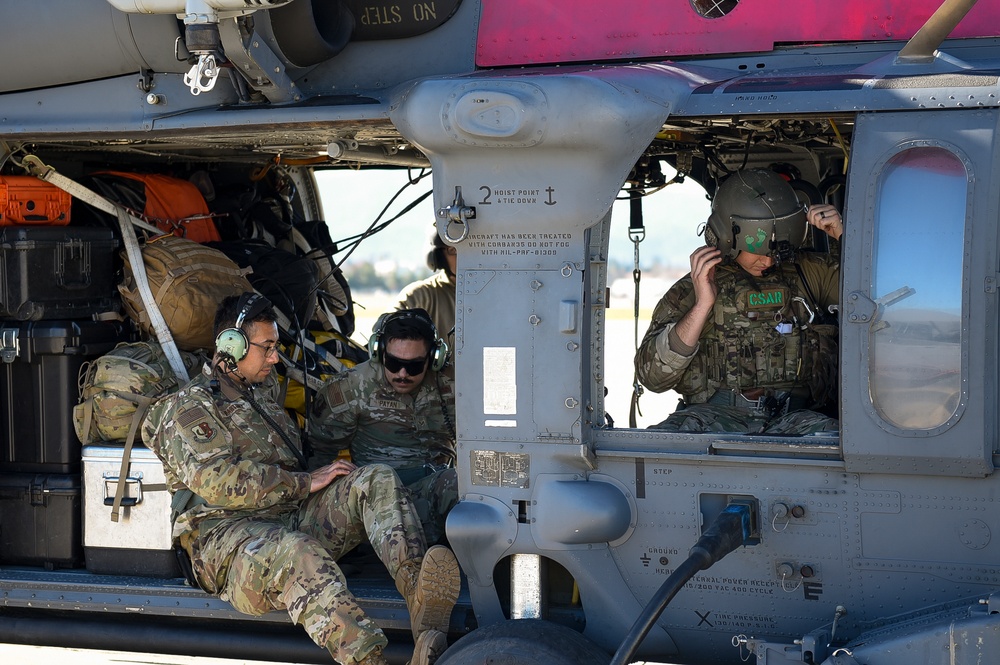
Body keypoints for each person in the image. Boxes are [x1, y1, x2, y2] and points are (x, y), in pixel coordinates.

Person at [142, 293, 460, 665]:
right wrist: (305, 482)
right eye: (268, 348)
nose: (276, 358)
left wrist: (316, 484)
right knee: (297, 551)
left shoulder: (262, 392)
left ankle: (420, 603)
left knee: (375, 479)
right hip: (226, 543)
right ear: (232, 345)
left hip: (285, 518)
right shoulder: (190, 408)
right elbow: (218, 481)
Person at [635, 168, 843, 434]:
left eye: (775, 250)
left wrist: (841, 234)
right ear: (726, 237)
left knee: (837, 441)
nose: (767, 261)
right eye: (757, 250)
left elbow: (881, 295)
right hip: (715, 418)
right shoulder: (694, 289)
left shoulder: (809, 274)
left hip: (796, 420)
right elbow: (653, 377)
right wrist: (702, 306)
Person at [309, 308, 457, 546]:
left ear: (434, 357)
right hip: (372, 500)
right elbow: (320, 456)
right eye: (394, 362)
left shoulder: (455, 385)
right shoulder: (351, 388)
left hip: (429, 492)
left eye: (414, 366)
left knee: (461, 486)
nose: (402, 373)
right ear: (378, 352)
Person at [396, 231, 457, 345]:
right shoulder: (420, 296)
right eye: (453, 249)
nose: (464, 256)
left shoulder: (499, 295)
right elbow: (384, 330)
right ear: (439, 256)